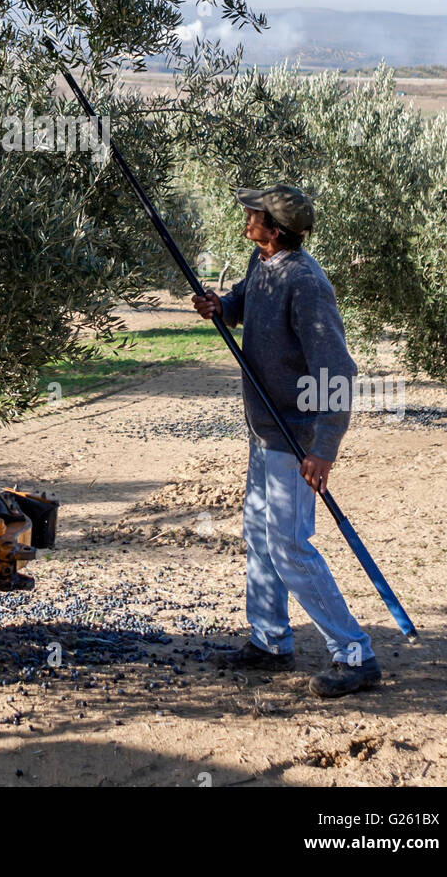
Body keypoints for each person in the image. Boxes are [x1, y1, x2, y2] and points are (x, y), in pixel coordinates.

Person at [193, 184, 381, 698]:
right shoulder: (263, 263)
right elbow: (244, 305)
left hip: (294, 438)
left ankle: (355, 653)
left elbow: (337, 371)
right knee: (260, 535)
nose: (246, 216)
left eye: (254, 213)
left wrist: (324, 447)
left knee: (290, 546)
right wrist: (220, 306)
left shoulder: (306, 282)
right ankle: (270, 640)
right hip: (264, 431)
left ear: (275, 229)